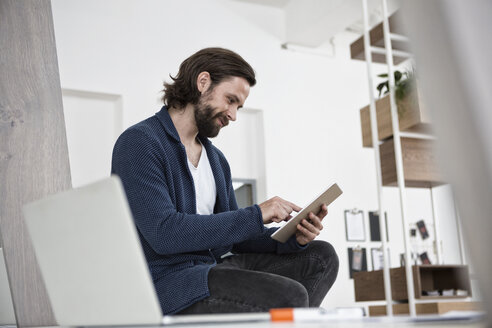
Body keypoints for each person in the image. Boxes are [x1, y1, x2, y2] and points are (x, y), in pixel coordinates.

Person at [111, 47, 339, 315]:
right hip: (170, 283)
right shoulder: (140, 142)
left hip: (212, 269)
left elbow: (235, 239)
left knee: (321, 257)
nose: (233, 115)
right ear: (203, 82)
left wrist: (293, 237)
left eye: (238, 106)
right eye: (230, 100)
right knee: (289, 294)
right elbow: (164, 233)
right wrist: (257, 213)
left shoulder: (216, 160)